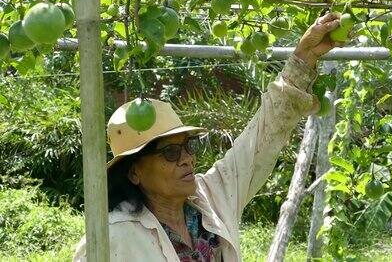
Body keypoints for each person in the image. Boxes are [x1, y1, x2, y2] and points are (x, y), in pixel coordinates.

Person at [73, 13, 343, 261]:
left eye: (188, 146)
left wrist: (303, 59)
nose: (187, 159)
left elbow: (262, 137)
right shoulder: (111, 237)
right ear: (134, 172)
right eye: (171, 152)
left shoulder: (210, 199)